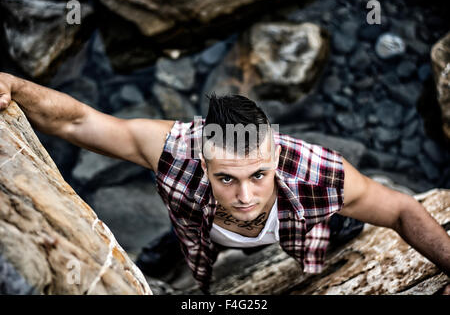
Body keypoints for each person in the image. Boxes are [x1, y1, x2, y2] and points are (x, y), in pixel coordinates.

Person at [0, 72, 449, 294]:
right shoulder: (172, 149)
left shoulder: (318, 174)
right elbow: (79, 122)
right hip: (196, 229)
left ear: (275, 155)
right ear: (203, 159)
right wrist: (16, 86)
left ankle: (332, 228)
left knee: (337, 225)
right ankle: (177, 255)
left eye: (258, 174)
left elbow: (402, 210)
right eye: (226, 178)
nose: (246, 196)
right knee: (175, 253)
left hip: (299, 227)